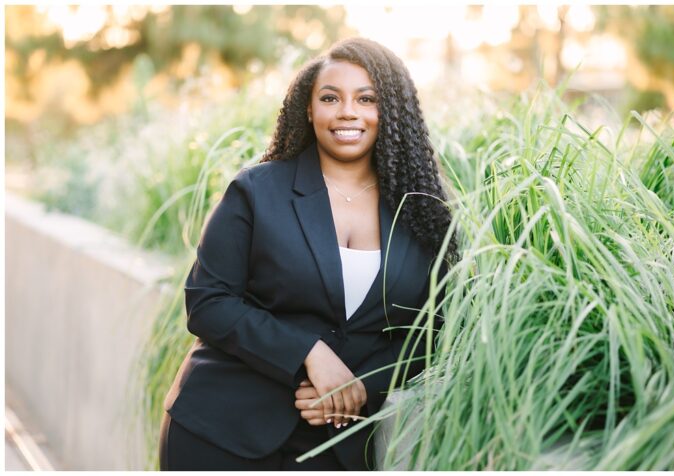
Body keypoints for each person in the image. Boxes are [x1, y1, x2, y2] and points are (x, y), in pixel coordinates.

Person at [159, 37, 455, 470]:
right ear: (309, 109)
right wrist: (308, 353)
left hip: (338, 445)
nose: (348, 112)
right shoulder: (257, 191)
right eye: (330, 98)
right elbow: (208, 302)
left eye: (367, 99)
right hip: (223, 432)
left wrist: (359, 388)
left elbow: (434, 329)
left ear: (389, 111)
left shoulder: (423, 211)